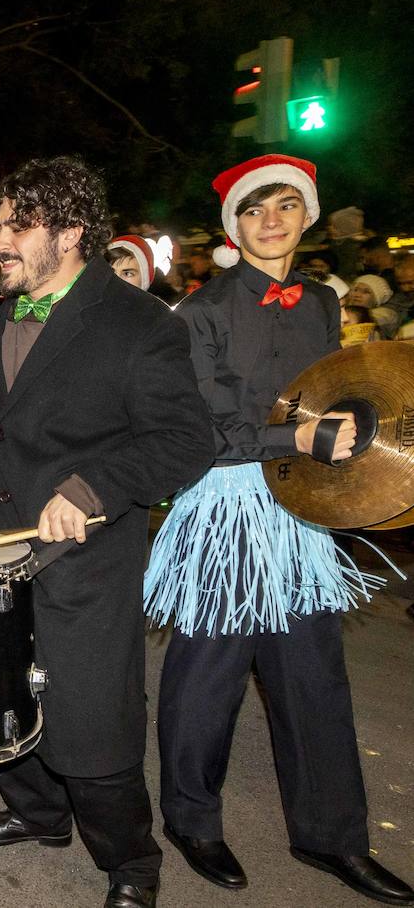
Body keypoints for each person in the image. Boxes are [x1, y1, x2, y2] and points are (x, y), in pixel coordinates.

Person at [0, 156, 214, 908]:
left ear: (71, 233)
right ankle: (37, 814)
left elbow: (184, 441)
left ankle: (131, 864)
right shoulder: (11, 312)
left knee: (90, 725)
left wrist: (91, 490)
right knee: (0, 695)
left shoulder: (139, 323)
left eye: (18, 225)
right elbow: (16, 424)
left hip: (82, 560)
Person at [144, 155, 413, 906]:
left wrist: (362, 426)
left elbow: (337, 390)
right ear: (236, 222)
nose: (272, 220)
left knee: (314, 679)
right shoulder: (200, 310)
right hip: (228, 504)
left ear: (306, 216)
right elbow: (199, 427)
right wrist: (291, 441)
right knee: (210, 677)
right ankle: (192, 821)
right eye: (256, 208)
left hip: (303, 510)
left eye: (286, 206)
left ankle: (333, 838)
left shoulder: (323, 304)